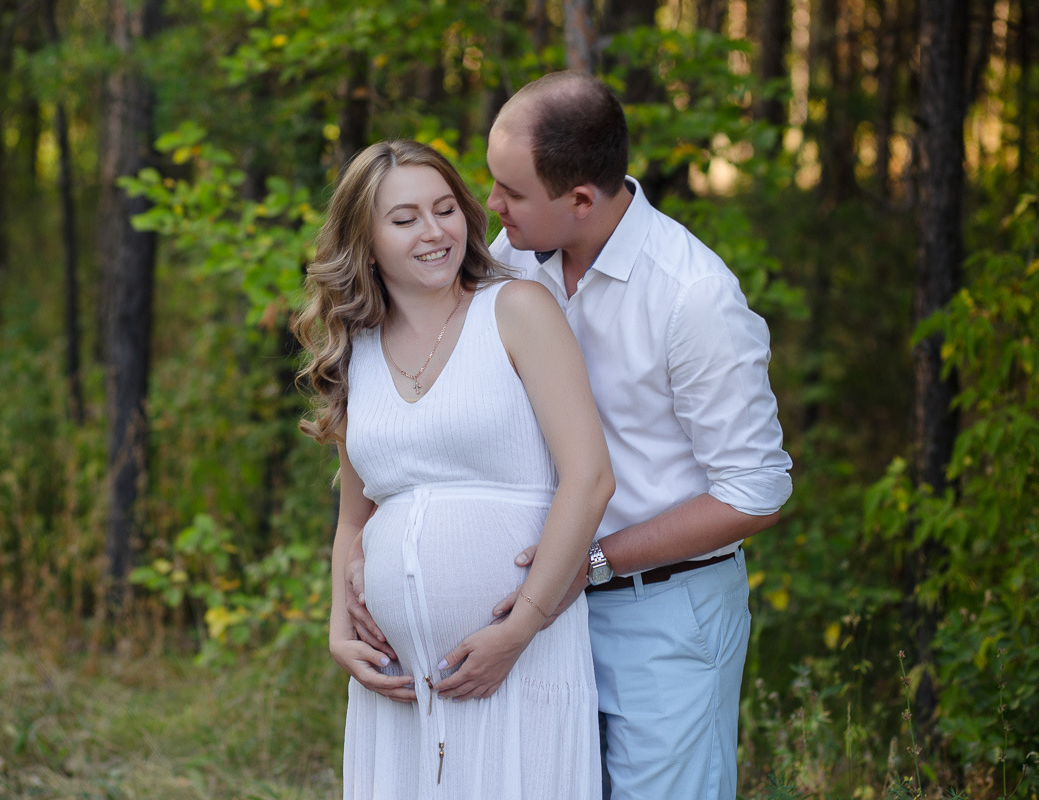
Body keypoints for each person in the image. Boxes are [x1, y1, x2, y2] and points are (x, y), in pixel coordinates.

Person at [349, 73, 793, 799]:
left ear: (580, 200)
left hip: (662, 613)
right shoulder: (512, 260)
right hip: (551, 620)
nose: (489, 207)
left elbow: (758, 493)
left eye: (510, 192)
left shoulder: (692, 296)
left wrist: (588, 564)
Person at [294, 139, 614, 799]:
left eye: (445, 209)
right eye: (405, 218)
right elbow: (356, 517)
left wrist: (519, 627)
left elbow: (589, 479)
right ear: (367, 239)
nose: (434, 231)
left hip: (523, 657)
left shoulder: (517, 310)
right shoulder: (358, 353)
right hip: (398, 683)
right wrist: (338, 630)